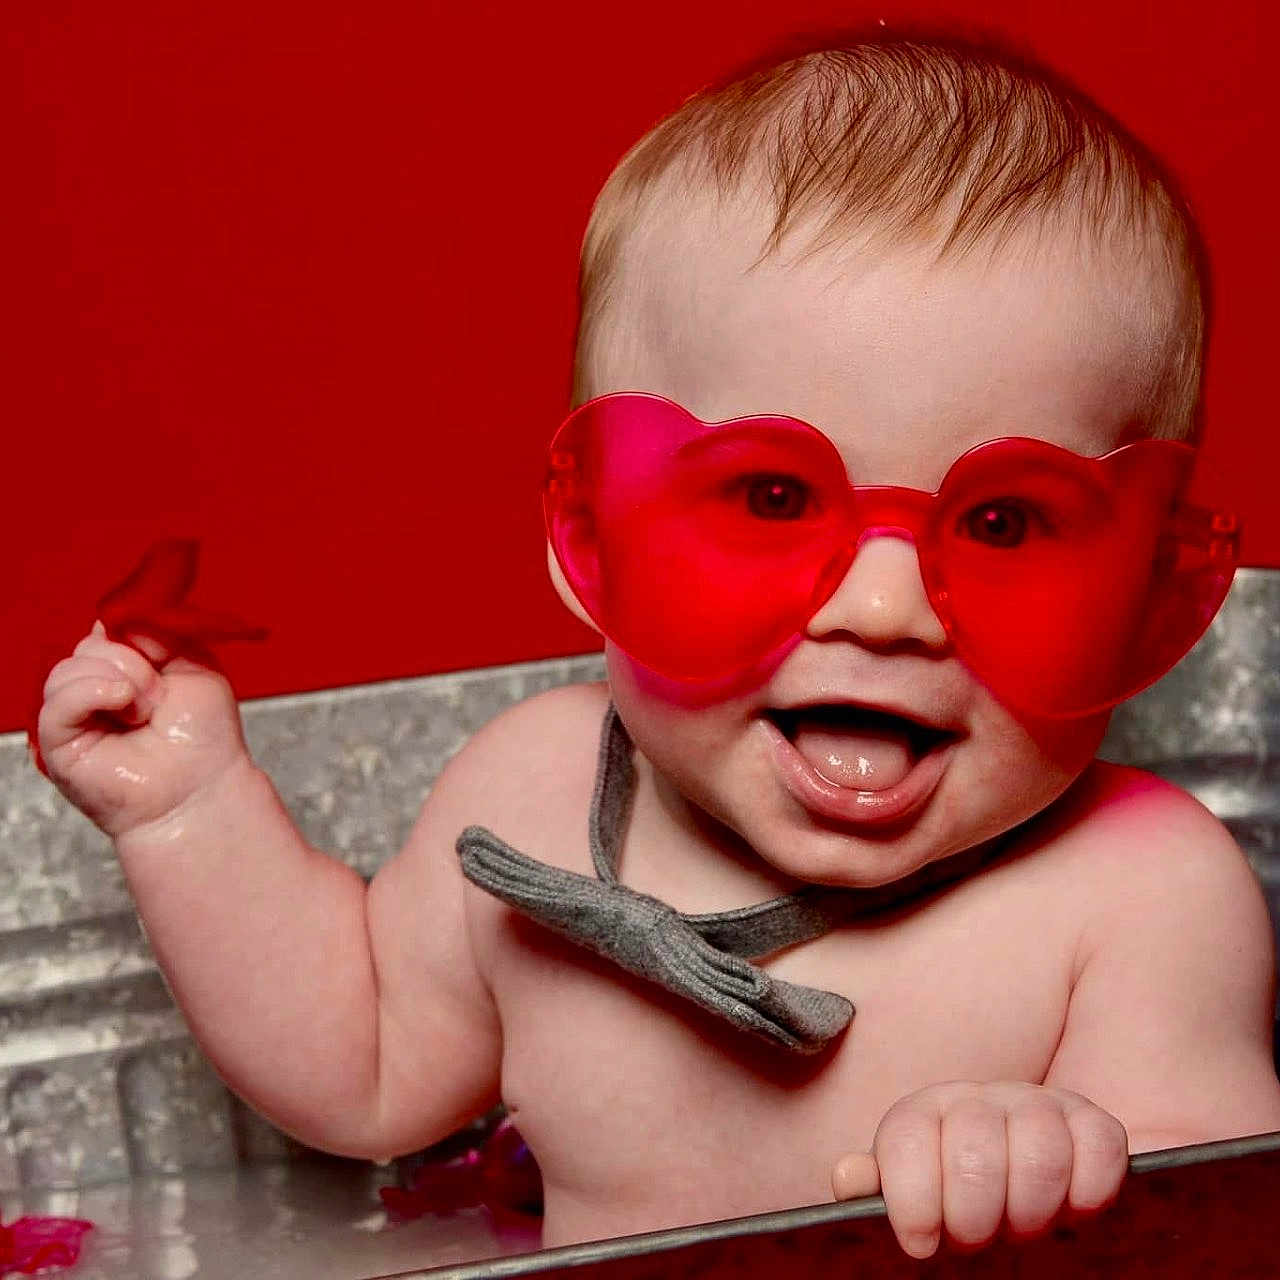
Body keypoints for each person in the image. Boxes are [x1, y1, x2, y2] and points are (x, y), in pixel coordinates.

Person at [35, 33, 1280, 1260]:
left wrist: (1059, 1147)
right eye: (775, 500)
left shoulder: (1141, 895)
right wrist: (189, 814)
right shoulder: (533, 784)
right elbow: (362, 1071)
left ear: (1148, 597)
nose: (884, 609)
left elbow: (1218, 1216)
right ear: (596, 536)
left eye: (1003, 521)